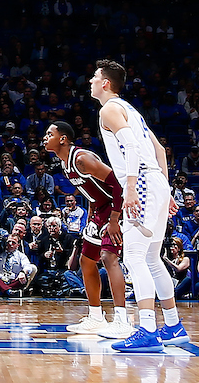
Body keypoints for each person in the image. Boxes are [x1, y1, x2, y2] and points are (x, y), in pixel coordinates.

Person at [92, 60, 187, 352]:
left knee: (133, 256)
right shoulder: (131, 110)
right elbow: (159, 150)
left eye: (95, 77)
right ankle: (173, 325)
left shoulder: (108, 109)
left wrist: (131, 188)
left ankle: (146, 329)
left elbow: (132, 147)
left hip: (142, 183)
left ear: (106, 83)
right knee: (151, 258)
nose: (91, 81)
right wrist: (166, 190)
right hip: (155, 181)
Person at [43, 121, 132, 339]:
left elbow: (119, 185)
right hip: (100, 209)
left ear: (62, 139)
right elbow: (92, 190)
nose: (44, 138)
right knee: (86, 260)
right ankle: (96, 317)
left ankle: (122, 320)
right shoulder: (65, 163)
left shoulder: (82, 159)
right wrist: (92, 215)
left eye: (49, 134)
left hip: (117, 207)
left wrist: (113, 220)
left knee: (109, 257)